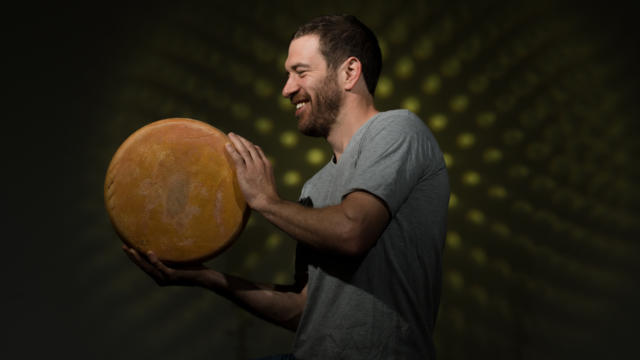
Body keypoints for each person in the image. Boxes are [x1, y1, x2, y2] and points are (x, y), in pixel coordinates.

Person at [124, 15, 449, 359]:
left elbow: (352, 232)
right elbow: (304, 308)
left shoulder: (398, 129)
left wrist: (266, 201)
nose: (287, 88)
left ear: (349, 72)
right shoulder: (316, 186)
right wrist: (205, 277)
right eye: (288, 74)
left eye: (301, 72)